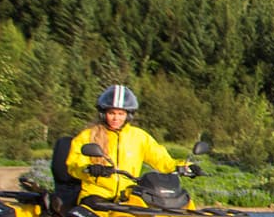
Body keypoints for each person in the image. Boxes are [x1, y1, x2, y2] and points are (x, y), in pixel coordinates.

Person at [65, 84, 198, 203]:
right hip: (97, 193)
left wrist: (186, 167)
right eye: (111, 113)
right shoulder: (88, 136)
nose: (116, 118)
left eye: (120, 114)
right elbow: (74, 164)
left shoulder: (139, 137)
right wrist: (89, 169)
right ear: (103, 114)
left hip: (129, 194)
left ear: (128, 115)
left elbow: (163, 161)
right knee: (98, 216)